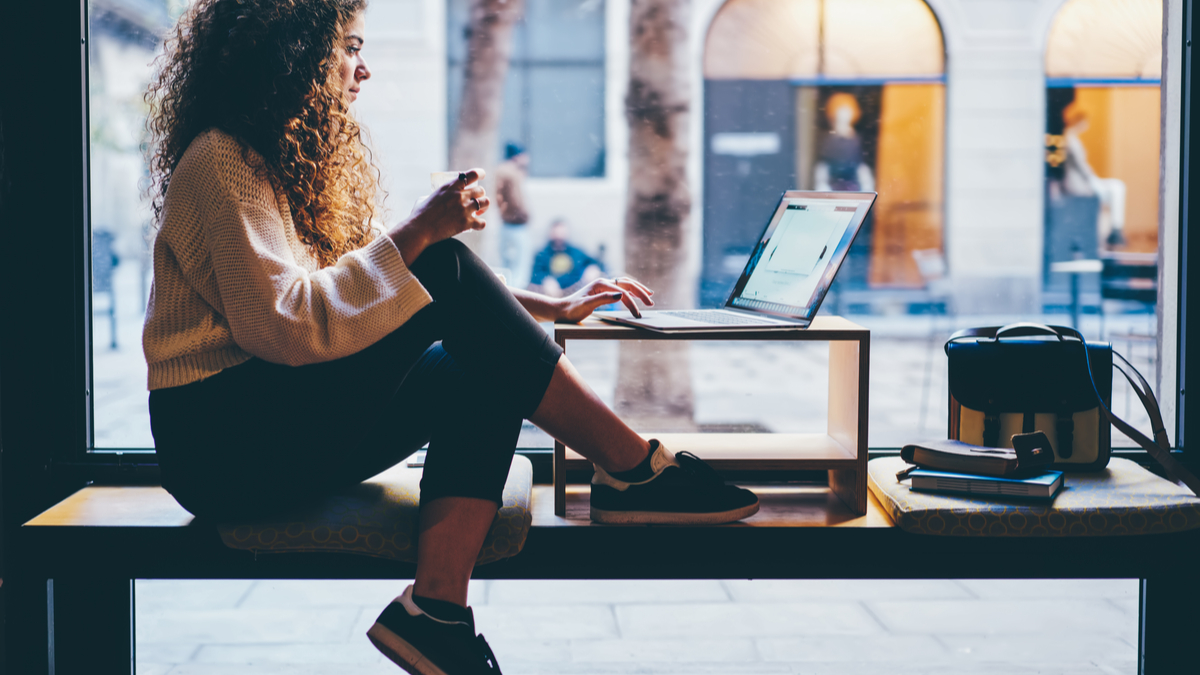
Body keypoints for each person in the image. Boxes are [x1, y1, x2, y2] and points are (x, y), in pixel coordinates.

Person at [140, 1, 759, 673]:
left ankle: (436, 611)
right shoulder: (221, 160)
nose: (363, 67)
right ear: (295, 51)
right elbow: (286, 326)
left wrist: (543, 305)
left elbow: (381, 290)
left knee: (482, 364)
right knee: (437, 259)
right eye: (349, 47)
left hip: (269, 422)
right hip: (219, 444)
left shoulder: (285, 160)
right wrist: (419, 232)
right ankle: (634, 468)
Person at [1061, 101, 1127, 247]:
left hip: (1083, 181)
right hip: (1079, 184)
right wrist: (1094, 180)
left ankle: (1116, 229)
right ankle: (1116, 230)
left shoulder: (1071, 138)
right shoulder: (1070, 139)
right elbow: (1081, 167)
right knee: (1116, 188)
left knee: (1116, 188)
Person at [527, 218, 605, 297]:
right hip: (550, 298)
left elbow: (593, 263)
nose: (559, 236)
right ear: (551, 234)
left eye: (561, 233)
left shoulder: (576, 252)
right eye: (556, 233)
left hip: (575, 294)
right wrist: (545, 281)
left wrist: (592, 269)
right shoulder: (542, 254)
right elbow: (535, 275)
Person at [814, 92, 875, 192]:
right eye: (841, 111)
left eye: (847, 111)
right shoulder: (829, 140)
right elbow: (823, 166)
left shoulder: (857, 140)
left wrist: (867, 184)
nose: (844, 115)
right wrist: (821, 184)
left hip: (853, 188)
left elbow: (861, 166)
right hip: (833, 187)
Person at [494, 142, 532, 284]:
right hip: (516, 225)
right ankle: (517, 302)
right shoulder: (511, 173)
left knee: (508, 268)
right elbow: (517, 202)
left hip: (506, 225)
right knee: (519, 271)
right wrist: (525, 215)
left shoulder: (500, 171)